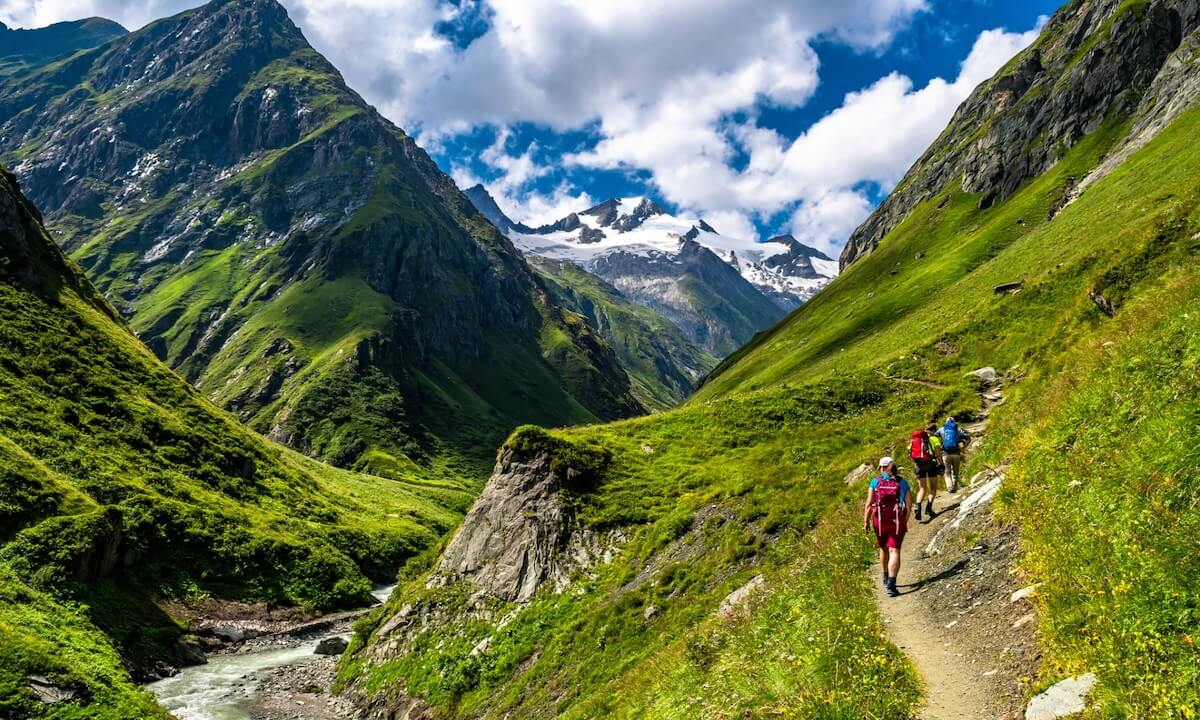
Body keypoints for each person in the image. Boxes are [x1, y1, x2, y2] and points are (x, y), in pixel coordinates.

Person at [864, 456, 911, 597]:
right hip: (896, 520)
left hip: (879, 520)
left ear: (881, 467)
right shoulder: (902, 482)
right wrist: (904, 521)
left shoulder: (875, 481)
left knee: (883, 548)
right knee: (894, 551)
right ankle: (891, 584)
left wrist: (866, 521)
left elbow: (869, 503)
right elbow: (909, 505)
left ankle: (885, 575)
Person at [909, 426, 938, 521]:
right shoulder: (931, 440)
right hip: (930, 464)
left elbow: (910, 454)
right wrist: (941, 463)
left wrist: (916, 465)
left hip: (919, 466)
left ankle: (918, 507)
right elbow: (937, 452)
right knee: (933, 487)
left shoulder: (912, 442)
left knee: (922, 488)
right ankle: (928, 508)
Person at [941, 416, 971, 493]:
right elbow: (968, 438)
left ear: (946, 422)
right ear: (954, 422)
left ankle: (950, 487)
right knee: (955, 472)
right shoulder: (958, 430)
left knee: (947, 472)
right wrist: (963, 447)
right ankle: (954, 487)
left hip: (945, 454)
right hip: (956, 454)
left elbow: (933, 436)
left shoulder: (942, 429)